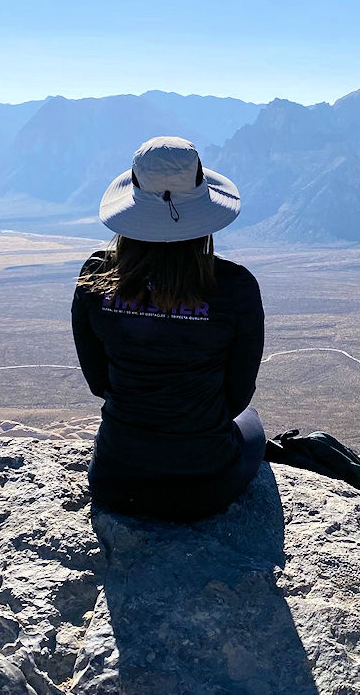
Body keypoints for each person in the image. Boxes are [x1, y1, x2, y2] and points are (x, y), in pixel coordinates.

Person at [71, 136, 266, 523]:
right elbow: (237, 397)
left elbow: (99, 383)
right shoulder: (235, 287)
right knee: (252, 424)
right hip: (206, 487)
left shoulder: (98, 276)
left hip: (117, 482)